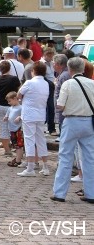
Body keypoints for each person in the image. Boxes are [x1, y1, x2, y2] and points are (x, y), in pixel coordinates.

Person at [51, 57, 94, 202]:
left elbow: (60, 105)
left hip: (71, 120)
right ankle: (91, 193)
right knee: (89, 158)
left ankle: (59, 193)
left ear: (70, 69)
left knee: (65, 156)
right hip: (89, 121)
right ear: (83, 68)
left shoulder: (68, 84)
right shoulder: (92, 83)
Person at [17, 61, 51, 177]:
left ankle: (30, 168)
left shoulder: (29, 83)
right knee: (41, 139)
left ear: (33, 71)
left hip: (29, 114)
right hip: (41, 114)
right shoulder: (46, 84)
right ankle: (45, 166)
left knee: (29, 140)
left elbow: (19, 94)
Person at [0, 60, 21, 157]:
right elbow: (19, 89)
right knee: (17, 127)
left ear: (0, 70)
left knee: (4, 128)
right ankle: (18, 147)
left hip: (1, 105)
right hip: (13, 106)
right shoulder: (14, 79)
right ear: (9, 68)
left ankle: (7, 150)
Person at [5, 91, 25, 168]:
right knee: (15, 145)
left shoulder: (21, 107)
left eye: (10, 101)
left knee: (19, 145)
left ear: (15, 99)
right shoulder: (10, 108)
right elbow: (8, 115)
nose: (9, 103)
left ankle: (18, 160)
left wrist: (19, 117)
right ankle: (17, 158)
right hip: (12, 129)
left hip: (18, 129)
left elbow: (23, 114)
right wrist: (6, 117)